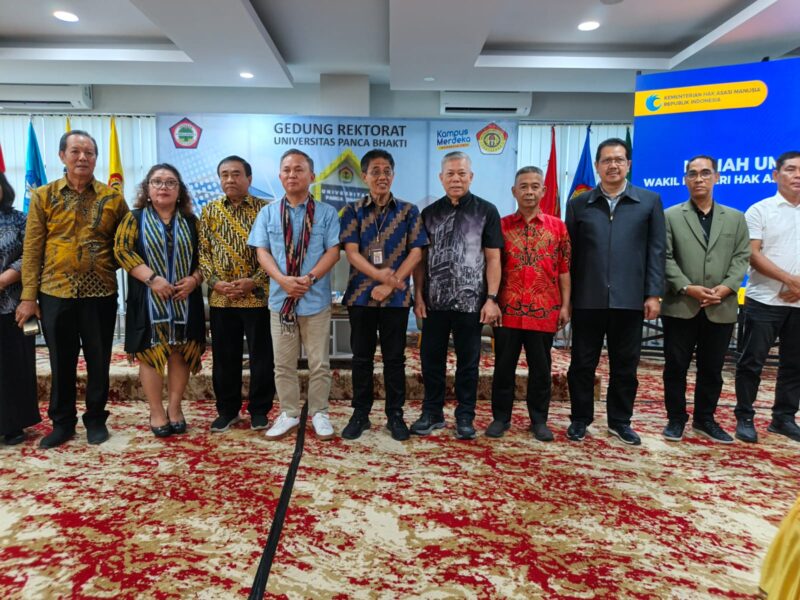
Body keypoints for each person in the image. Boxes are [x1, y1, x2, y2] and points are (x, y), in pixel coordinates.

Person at [18, 130, 128, 448]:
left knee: (99, 360)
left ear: (96, 158)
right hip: (55, 292)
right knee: (61, 361)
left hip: (100, 293)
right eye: (76, 151)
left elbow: (125, 244)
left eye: (89, 152)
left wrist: (101, 263)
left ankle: (95, 419)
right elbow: (33, 248)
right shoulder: (43, 196)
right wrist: (28, 296)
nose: (82, 157)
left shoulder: (112, 198)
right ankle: (62, 423)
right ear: (62, 156)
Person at [565, 137, 666, 446]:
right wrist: (567, 300)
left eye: (619, 159)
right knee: (582, 364)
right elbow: (569, 256)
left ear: (628, 164)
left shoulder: (648, 202)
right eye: (607, 160)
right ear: (597, 166)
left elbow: (656, 251)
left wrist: (653, 294)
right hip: (588, 299)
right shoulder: (579, 204)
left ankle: (620, 421)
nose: (613, 165)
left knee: (625, 366)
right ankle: (580, 419)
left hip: (630, 300)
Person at [248, 149, 340, 441]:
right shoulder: (268, 213)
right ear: (279, 176)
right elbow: (262, 251)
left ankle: (319, 412)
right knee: (283, 364)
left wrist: (309, 279)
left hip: (315, 300)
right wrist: (282, 280)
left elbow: (333, 251)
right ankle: (288, 412)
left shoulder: (326, 213)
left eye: (299, 169)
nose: (292, 174)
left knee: (319, 363)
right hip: (281, 301)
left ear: (311, 176)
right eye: (287, 169)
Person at [412, 151, 503, 440]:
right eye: (450, 174)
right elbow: (420, 261)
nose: (456, 179)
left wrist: (491, 298)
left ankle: (465, 416)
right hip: (434, 303)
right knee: (431, 360)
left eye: (461, 173)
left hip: (471, 303)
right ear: (441, 178)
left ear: (471, 177)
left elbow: (493, 259)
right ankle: (432, 413)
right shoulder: (429, 214)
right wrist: (418, 296)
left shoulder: (486, 211)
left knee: (468, 363)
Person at [339, 149, 428, 441]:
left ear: (393, 175)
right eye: (375, 171)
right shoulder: (352, 211)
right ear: (364, 176)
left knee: (394, 359)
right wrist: (380, 278)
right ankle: (360, 414)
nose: (382, 176)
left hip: (396, 298)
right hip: (361, 297)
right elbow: (352, 253)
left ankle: (395, 414)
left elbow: (416, 252)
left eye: (387, 171)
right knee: (361, 358)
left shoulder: (408, 211)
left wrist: (391, 284)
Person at [661, 155, 750, 443]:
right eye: (693, 174)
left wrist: (726, 288)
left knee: (712, 369)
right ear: (685, 179)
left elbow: (742, 257)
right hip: (681, 304)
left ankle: (705, 419)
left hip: (720, 304)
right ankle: (676, 419)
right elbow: (665, 257)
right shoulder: (670, 216)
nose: (699, 179)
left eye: (705, 173)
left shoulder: (735, 218)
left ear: (717, 177)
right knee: (676, 366)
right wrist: (687, 287)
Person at [114, 164, 206, 437]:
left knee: (180, 352)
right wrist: (153, 279)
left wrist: (195, 280)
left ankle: (175, 408)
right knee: (150, 354)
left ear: (179, 191)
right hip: (147, 298)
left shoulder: (192, 222)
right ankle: (156, 411)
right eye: (157, 182)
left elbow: (205, 257)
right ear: (147, 189)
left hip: (185, 299)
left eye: (170, 182)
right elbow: (122, 251)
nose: (163, 187)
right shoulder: (133, 218)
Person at [486, 166, 571, 442]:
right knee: (503, 368)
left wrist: (565, 306)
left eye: (535, 186)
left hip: (544, 310)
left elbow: (564, 269)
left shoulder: (558, 227)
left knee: (541, 370)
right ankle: (500, 418)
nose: (529, 192)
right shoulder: (500, 226)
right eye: (523, 186)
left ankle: (539, 420)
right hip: (507, 310)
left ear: (543, 191)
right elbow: (491, 265)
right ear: (514, 191)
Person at [199, 156, 275, 433]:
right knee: (224, 358)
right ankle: (227, 410)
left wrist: (254, 281)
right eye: (224, 174)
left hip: (257, 297)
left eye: (236, 174)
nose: (230, 179)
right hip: (222, 298)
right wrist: (215, 282)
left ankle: (259, 411)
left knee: (261, 357)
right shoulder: (209, 211)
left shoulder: (266, 210)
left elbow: (274, 252)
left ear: (249, 179)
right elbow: (203, 252)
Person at [734, 150, 800, 444]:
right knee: (752, 361)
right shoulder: (759, 210)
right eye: (791, 169)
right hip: (765, 300)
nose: (797, 175)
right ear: (776, 175)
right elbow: (753, 253)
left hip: (798, 303)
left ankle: (784, 417)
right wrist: (789, 280)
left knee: (794, 364)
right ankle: (745, 416)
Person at [0, 172, 40, 445]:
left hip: (18, 304)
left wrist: (4, 279)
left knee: (17, 363)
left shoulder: (20, 219)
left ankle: (14, 424)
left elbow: (33, 254)